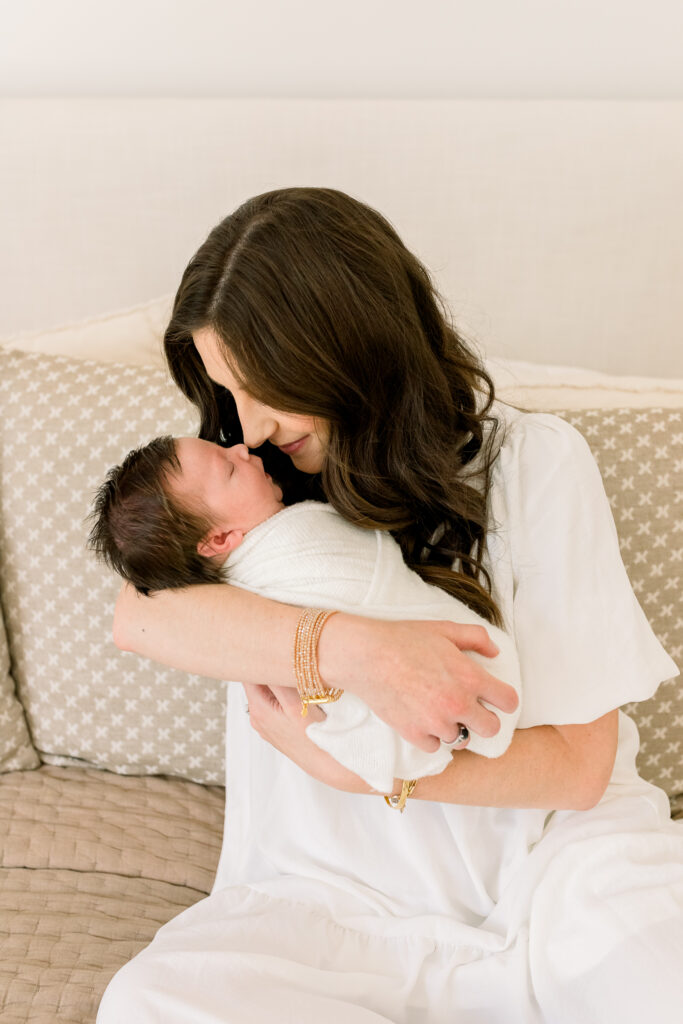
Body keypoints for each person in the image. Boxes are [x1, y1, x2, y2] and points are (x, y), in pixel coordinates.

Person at [97, 187, 683, 1024]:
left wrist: (364, 773)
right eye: (230, 395)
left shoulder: (534, 463)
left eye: (267, 390)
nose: (249, 430)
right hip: (331, 892)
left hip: (553, 862)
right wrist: (355, 650)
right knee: (152, 1004)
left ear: (348, 349)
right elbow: (139, 618)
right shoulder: (247, 504)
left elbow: (578, 771)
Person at [88, 433, 524, 791]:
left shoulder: (227, 551)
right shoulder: (278, 562)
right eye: (230, 467)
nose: (243, 448)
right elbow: (132, 618)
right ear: (219, 540)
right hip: (450, 698)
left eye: (225, 449)